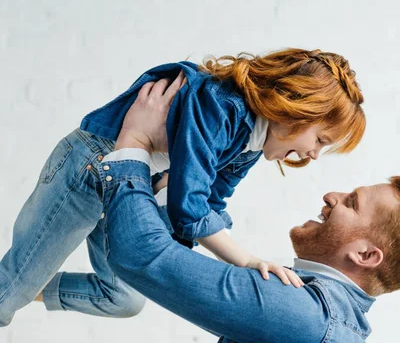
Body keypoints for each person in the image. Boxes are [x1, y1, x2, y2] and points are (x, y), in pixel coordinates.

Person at [0, 49, 365, 326]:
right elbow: (189, 207)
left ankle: (21, 286)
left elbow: (210, 202)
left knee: (124, 300)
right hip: (90, 166)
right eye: (320, 139)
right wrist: (248, 261)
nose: (314, 155)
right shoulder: (221, 107)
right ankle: (13, 288)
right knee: (6, 298)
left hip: (128, 184)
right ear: (295, 108)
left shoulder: (249, 146)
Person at [95, 81, 400, 342]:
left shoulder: (305, 316)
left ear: (365, 254)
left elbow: (142, 254)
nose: (332, 195)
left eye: (351, 203)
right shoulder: (328, 321)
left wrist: (134, 145)